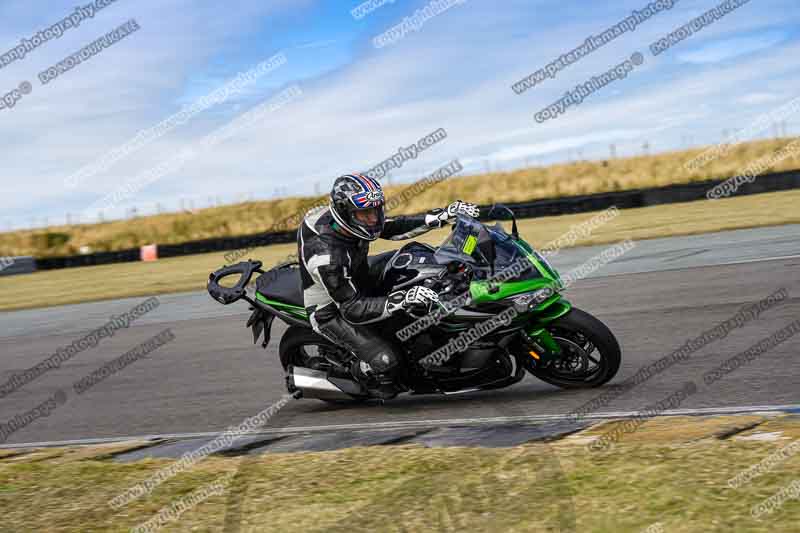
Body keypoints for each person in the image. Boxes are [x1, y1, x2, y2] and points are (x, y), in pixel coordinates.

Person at [297, 173, 479, 399]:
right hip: (333, 308)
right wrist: (403, 299)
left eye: (376, 210)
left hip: (357, 273)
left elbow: (391, 227)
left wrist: (442, 216)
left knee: (418, 260)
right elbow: (352, 308)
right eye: (366, 213)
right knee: (388, 362)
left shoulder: (348, 220)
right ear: (345, 213)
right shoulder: (328, 258)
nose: (373, 219)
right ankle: (364, 376)